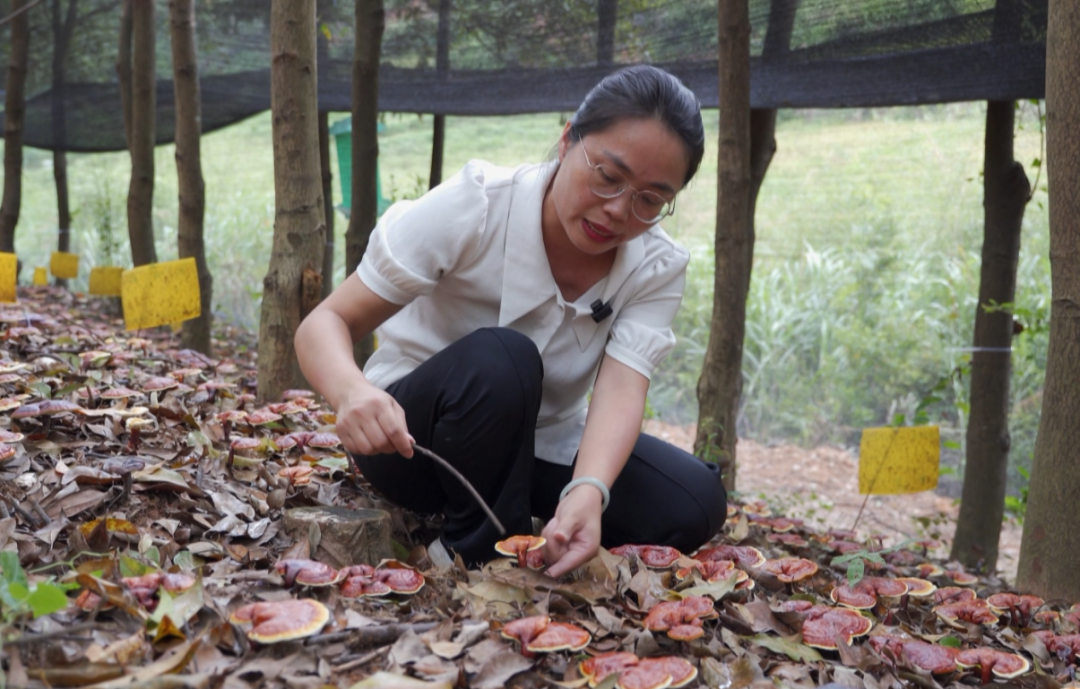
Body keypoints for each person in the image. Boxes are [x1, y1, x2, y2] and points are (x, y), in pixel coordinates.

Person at [295, 65, 727, 578]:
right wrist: (350, 392)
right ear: (568, 140)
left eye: (650, 199)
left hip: (541, 444)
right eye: (608, 177)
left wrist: (588, 489)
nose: (617, 210)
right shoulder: (476, 206)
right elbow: (325, 321)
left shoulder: (655, 265)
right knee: (505, 356)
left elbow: (621, 388)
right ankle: (472, 555)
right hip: (414, 440)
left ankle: (542, 527)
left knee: (694, 500)